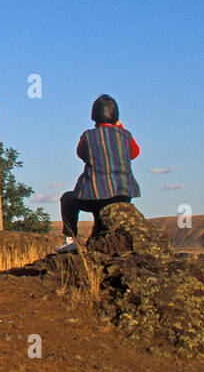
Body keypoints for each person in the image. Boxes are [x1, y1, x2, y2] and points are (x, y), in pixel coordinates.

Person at [56, 94, 141, 253]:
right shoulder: (126, 136)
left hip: (96, 196)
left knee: (68, 200)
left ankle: (70, 240)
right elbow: (135, 153)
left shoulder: (87, 136)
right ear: (116, 116)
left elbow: (81, 154)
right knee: (99, 220)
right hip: (123, 196)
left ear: (94, 115)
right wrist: (119, 126)